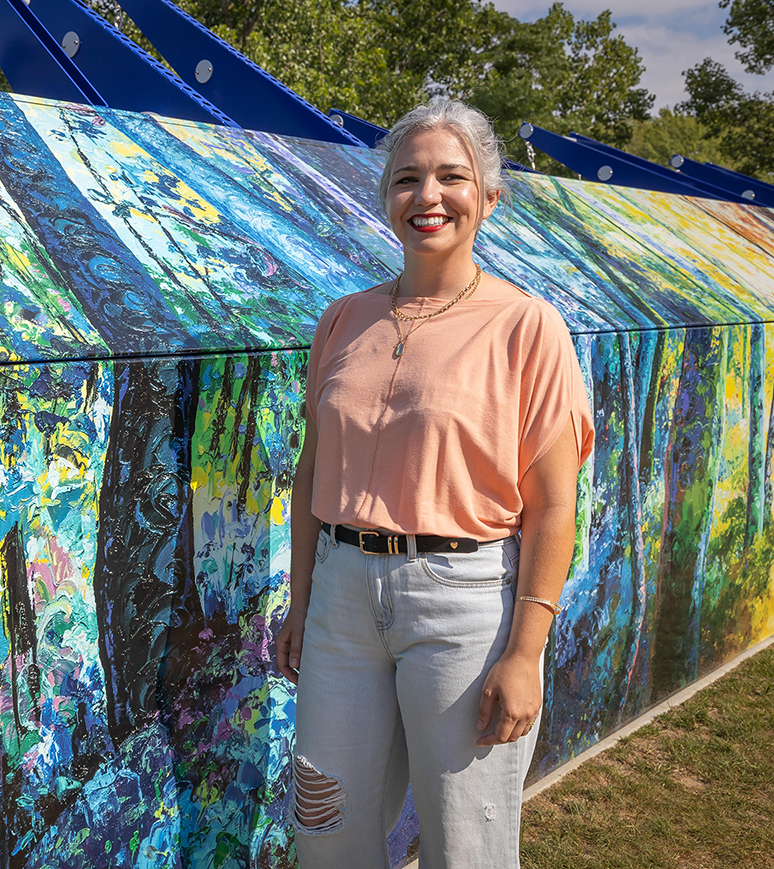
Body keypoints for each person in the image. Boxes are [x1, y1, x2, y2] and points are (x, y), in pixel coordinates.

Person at [273, 100, 594, 869]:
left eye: (453, 176)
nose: (429, 196)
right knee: (324, 829)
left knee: (466, 843)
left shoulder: (527, 325)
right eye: (407, 178)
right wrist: (303, 598)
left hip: (461, 603)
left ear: (488, 195)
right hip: (341, 603)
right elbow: (313, 468)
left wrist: (526, 651)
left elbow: (552, 505)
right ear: (386, 197)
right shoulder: (342, 320)